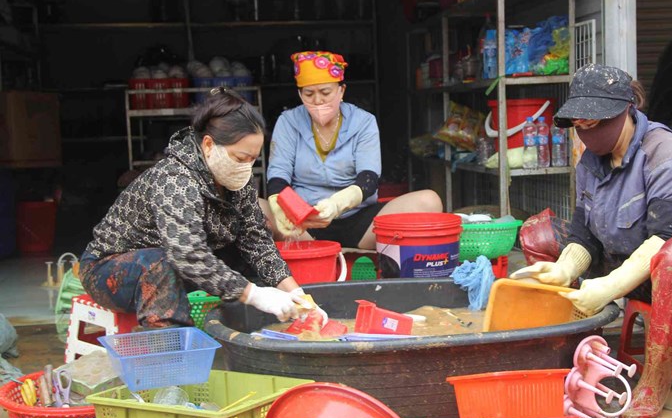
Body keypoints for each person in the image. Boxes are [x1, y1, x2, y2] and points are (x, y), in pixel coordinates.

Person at [511, 64, 672, 418]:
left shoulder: (667, 158)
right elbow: (583, 233)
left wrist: (608, 287)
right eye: (580, 125)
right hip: (630, 260)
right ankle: (580, 345)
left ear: (627, 110)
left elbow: (662, 240)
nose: (587, 131)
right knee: (539, 230)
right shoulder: (591, 161)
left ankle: (655, 379)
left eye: (596, 121)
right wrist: (564, 269)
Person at [79, 87, 322, 328]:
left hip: (180, 265)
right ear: (208, 144)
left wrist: (298, 296)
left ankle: (250, 337)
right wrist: (254, 294)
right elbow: (188, 255)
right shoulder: (175, 178)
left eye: (253, 159)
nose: (246, 167)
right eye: (240, 158)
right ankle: (171, 355)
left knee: (252, 253)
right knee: (161, 265)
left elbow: (256, 240)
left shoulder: (239, 178)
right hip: (110, 270)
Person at [263, 50, 442, 248]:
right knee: (254, 206)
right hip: (302, 225)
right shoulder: (288, 121)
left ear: (341, 91)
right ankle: (309, 246)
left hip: (360, 221)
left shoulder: (363, 122)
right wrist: (280, 207)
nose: (317, 101)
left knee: (428, 201)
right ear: (299, 94)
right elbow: (278, 176)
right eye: (309, 94)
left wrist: (336, 205)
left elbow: (369, 180)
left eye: (325, 92)